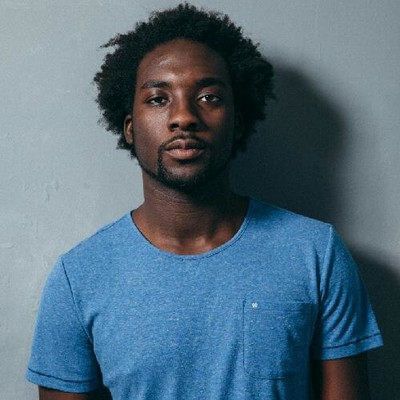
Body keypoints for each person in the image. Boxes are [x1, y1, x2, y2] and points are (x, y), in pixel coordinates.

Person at [26, 3, 383, 400]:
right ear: (129, 128)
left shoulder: (316, 254)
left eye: (209, 97)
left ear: (238, 122)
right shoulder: (79, 277)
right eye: (158, 99)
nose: (184, 117)